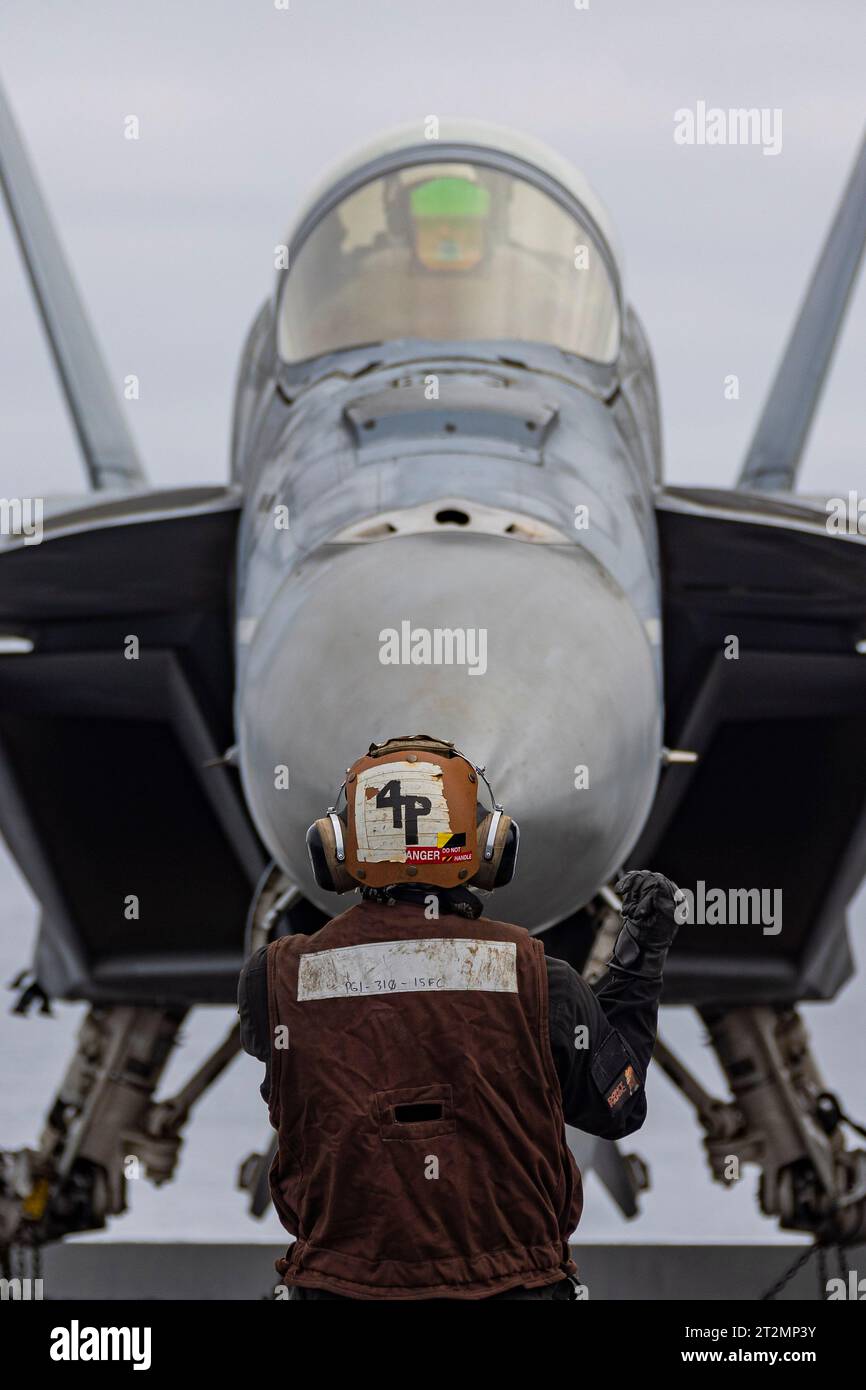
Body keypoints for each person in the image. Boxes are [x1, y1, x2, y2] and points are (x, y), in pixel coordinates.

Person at [238, 734, 682, 1300]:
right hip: (517, 1288)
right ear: (491, 846)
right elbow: (619, 1105)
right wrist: (637, 966)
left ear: (336, 848)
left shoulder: (273, 981)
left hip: (338, 1288)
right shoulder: (543, 981)